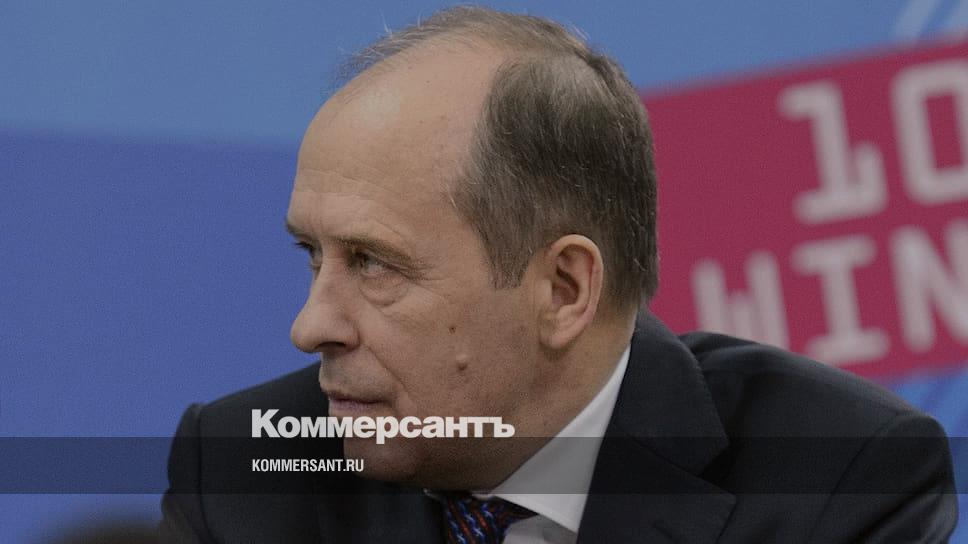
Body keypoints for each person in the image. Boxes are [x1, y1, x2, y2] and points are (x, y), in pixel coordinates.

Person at [159, 6, 957, 543]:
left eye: (373, 263)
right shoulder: (242, 471)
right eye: (313, 254)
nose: (310, 326)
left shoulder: (838, 478)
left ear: (564, 290)